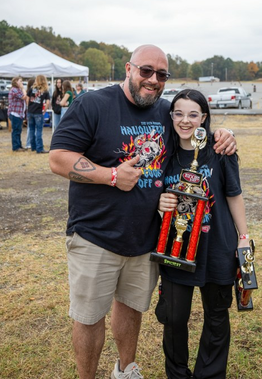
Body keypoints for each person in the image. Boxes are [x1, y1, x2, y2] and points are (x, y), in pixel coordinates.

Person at [48, 44, 238, 379]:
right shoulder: (93, 104)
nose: (153, 80)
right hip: (97, 235)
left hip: (146, 238)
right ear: (128, 68)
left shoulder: (165, 111)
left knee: (131, 308)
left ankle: (125, 369)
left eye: (161, 74)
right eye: (146, 71)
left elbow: (193, 126)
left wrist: (223, 134)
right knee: (90, 316)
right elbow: (58, 158)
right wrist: (110, 176)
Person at [154, 89, 251, 379]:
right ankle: (178, 374)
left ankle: (209, 375)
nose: (185, 121)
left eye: (193, 114)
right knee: (173, 318)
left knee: (217, 318)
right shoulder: (164, 155)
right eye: (178, 113)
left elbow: (234, 195)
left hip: (216, 246)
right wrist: (160, 203)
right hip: (176, 247)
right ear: (171, 116)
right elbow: (152, 195)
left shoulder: (220, 150)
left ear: (204, 117)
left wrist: (243, 238)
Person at [27, 75, 50, 154]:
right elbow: (47, 102)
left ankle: (33, 147)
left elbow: (27, 99)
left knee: (31, 130)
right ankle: (39, 148)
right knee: (39, 130)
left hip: (30, 111)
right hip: (38, 112)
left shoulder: (31, 89)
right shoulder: (45, 90)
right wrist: (45, 110)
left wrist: (29, 107)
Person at [7, 76, 27, 152]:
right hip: (15, 113)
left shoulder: (17, 89)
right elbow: (24, 97)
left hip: (19, 113)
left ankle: (19, 145)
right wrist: (23, 88)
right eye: (20, 81)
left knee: (19, 130)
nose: (22, 83)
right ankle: (15, 147)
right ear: (16, 82)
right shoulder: (14, 90)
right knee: (15, 130)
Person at [25, 78, 36, 150]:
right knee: (30, 128)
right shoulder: (30, 91)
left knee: (31, 128)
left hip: (30, 110)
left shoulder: (29, 91)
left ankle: (30, 143)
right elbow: (27, 101)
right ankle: (28, 143)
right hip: (31, 110)